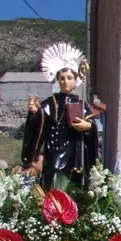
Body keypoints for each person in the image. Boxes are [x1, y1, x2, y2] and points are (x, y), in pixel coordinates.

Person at [22, 43, 99, 190]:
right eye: (62, 78)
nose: (65, 81)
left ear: (75, 80)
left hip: (76, 151)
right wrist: (34, 113)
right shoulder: (49, 103)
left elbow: (92, 124)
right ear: (58, 80)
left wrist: (88, 126)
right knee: (53, 184)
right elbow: (38, 125)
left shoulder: (81, 103)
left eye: (69, 78)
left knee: (75, 185)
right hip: (54, 150)